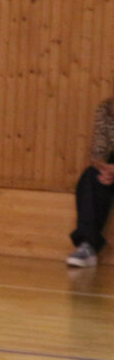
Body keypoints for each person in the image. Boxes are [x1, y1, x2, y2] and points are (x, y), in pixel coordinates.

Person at [66, 95, 114, 266]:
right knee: (91, 176)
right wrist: (104, 168)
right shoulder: (107, 109)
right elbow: (97, 152)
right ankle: (87, 246)